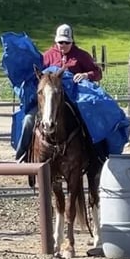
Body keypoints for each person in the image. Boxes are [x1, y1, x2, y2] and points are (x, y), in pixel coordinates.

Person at [15, 24, 103, 183]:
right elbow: (37, 77)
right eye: (60, 42)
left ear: (72, 41)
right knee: (28, 119)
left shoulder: (81, 56)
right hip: (49, 99)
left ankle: (95, 157)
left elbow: (97, 73)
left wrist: (85, 75)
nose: (63, 46)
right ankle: (23, 155)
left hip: (74, 99)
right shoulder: (47, 56)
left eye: (66, 42)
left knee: (89, 122)